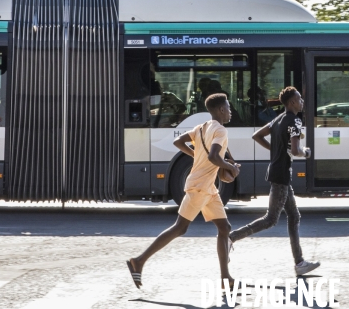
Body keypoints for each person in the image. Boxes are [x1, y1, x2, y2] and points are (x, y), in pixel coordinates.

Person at [127, 93, 241, 289]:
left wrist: (196, 154)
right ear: (221, 110)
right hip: (199, 187)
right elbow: (214, 157)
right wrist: (232, 168)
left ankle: (225, 278)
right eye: (229, 108)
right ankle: (139, 261)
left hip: (208, 188)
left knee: (224, 228)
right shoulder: (221, 131)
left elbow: (178, 142)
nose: (230, 111)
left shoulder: (202, 127)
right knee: (180, 228)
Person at [229, 86, 320, 276]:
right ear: (292, 102)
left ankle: (299, 263)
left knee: (294, 216)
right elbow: (295, 150)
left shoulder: (278, 119)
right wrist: (307, 152)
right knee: (271, 219)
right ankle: (231, 237)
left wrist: (275, 149)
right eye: (299, 99)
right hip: (281, 175)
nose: (302, 102)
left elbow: (257, 135)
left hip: (278, 173)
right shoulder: (294, 120)